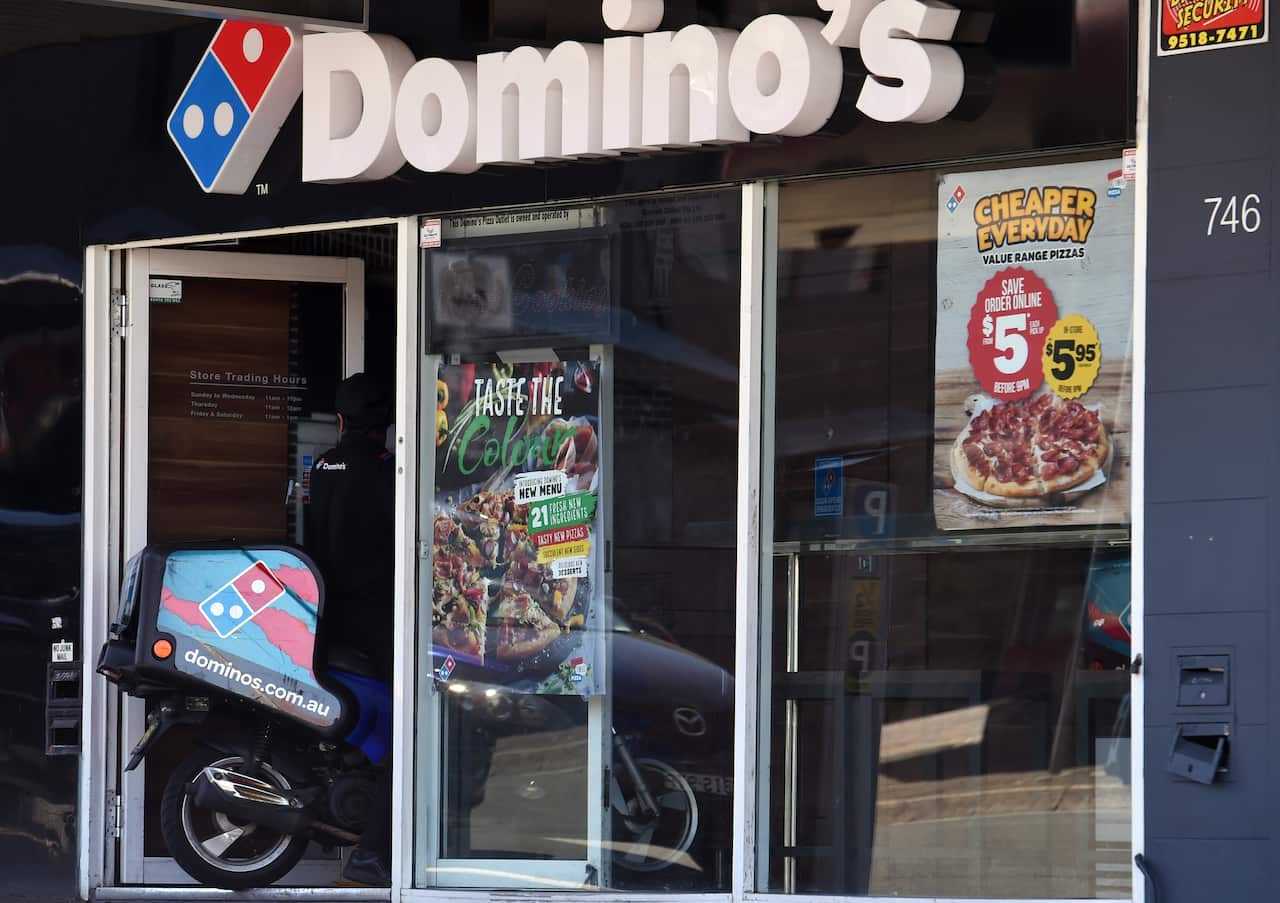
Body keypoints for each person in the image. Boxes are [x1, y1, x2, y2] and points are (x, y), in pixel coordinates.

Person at [305, 372, 395, 886]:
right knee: (391, 736)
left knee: (354, 724)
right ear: (385, 426)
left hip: (327, 618)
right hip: (379, 623)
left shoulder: (322, 468)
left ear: (340, 421)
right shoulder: (390, 472)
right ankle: (372, 854)